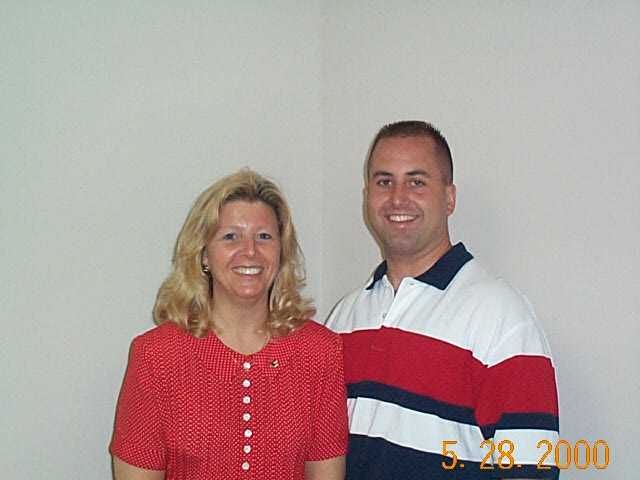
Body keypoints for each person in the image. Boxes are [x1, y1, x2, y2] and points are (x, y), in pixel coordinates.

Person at [325, 121, 559, 479]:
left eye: (416, 182)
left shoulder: (501, 317)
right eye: (384, 181)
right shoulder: (344, 319)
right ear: (367, 195)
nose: (397, 198)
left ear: (449, 198)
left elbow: (531, 470)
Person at [110, 169, 347, 480]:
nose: (250, 251)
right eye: (230, 236)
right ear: (204, 255)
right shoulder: (156, 356)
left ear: (281, 253)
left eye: (264, 237)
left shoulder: (320, 352)